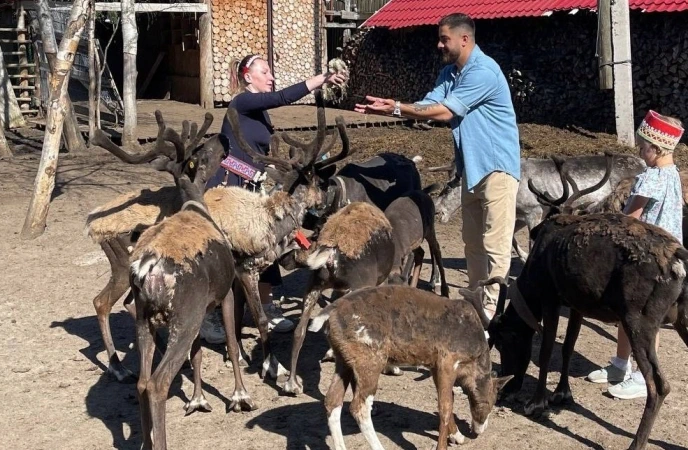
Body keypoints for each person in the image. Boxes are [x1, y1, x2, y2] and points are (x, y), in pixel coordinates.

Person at [354, 13, 520, 319]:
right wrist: (393, 109)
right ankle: (475, 307)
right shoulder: (449, 74)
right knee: (472, 243)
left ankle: (492, 314)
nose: (439, 43)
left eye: (444, 38)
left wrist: (395, 105)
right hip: (471, 168)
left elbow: (443, 113)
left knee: (495, 245)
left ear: (464, 39)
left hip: (497, 169)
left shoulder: (483, 71)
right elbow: (426, 105)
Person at [199, 54, 348, 344]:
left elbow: (256, 152)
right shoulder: (241, 102)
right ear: (247, 77)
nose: (271, 77)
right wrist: (320, 80)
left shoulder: (259, 112)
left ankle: (264, 306)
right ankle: (208, 316)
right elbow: (281, 97)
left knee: (269, 245)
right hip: (230, 189)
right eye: (264, 72)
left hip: (253, 190)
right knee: (223, 253)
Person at [586, 110, 685, 400]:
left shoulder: (649, 179)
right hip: (664, 253)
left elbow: (630, 218)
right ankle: (619, 366)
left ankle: (645, 376)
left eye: (643, 148)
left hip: (648, 259)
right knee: (626, 313)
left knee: (645, 319)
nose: (641, 153)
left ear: (656, 148)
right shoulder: (672, 175)